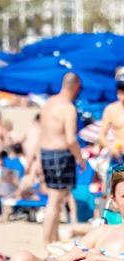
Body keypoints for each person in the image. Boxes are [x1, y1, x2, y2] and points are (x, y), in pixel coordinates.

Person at [39, 73, 86, 245]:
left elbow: (42, 132)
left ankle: (54, 239)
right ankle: (47, 242)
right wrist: (80, 159)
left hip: (45, 152)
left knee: (56, 199)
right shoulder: (68, 108)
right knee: (55, 199)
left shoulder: (48, 103)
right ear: (76, 87)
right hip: (60, 154)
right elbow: (71, 139)